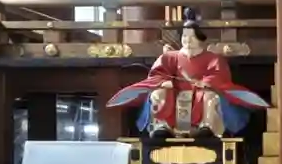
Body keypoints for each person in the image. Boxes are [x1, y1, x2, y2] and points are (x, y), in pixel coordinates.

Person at [106, 10, 267, 140]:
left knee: (211, 97)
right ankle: (161, 126)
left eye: (192, 37)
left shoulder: (213, 58)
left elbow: (219, 75)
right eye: (184, 36)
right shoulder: (169, 57)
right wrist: (164, 82)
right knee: (158, 94)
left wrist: (206, 82)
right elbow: (157, 73)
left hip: (200, 92)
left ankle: (208, 127)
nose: (187, 41)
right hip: (174, 90)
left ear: (200, 38)